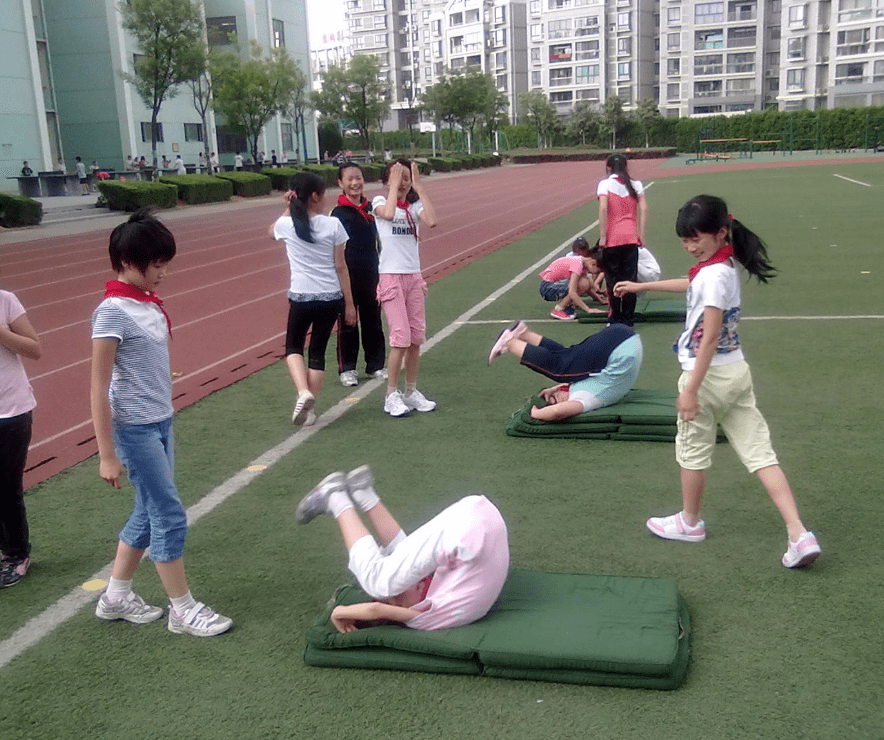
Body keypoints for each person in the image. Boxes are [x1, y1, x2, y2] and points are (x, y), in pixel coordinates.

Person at [613, 194, 820, 569]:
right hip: (736, 373)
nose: (690, 247)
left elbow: (708, 337)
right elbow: (691, 285)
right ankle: (798, 533)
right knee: (761, 455)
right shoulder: (722, 267)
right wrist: (642, 287)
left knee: (692, 453)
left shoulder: (712, 275)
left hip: (705, 377)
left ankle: (689, 523)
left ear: (721, 232)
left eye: (696, 239)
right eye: (685, 241)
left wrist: (690, 389)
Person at [90, 210, 232, 635]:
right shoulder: (112, 311)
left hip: (160, 421)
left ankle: (115, 596)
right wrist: (106, 455)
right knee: (169, 514)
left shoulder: (147, 305)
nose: (164, 273)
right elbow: (97, 388)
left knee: (148, 510)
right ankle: (182, 609)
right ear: (130, 261)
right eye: (157, 264)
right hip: (133, 429)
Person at [295, 465, 509, 632]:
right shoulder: (426, 618)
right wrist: (341, 611)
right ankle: (341, 496)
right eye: (395, 596)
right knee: (378, 581)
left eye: (394, 596)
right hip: (473, 531)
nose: (398, 590)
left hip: (478, 522)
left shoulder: (427, 612)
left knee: (391, 576)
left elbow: (378, 608)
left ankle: (352, 494)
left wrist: (344, 610)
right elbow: (376, 609)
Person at [270, 173, 356, 425]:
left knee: (293, 347)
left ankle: (302, 392)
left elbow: (270, 232)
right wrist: (349, 303)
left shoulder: (286, 225)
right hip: (330, 297)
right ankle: (309, 410)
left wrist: (288, 208)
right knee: (317, 351)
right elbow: (341, 267)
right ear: (315, 197)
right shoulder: (333, 225)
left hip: (301, 296)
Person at [374, 159, 438, 417]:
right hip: (391, 277)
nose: (402, 182)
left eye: (405, 177)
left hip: (413, 276)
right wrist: (393, 185)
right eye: (396, 176)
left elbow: (432, 221)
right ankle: (391, 394)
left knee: (415, 338)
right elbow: (388, 215)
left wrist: (419, 187)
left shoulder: (413, 206)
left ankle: (411, 391)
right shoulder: (379, 201)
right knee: (399, 338)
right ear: (386, 180)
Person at [488, 322, 643, 421]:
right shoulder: (587, 398)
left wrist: (534, 412)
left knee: (562, 362)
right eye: (555, 399)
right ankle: (519, 335)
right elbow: (557, 412)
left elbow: (556, 411)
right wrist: (537, 411)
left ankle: (512, 340)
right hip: (622, 347)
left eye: (553, 398)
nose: (555, 396)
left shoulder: (582, 395)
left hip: (624, 340)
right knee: (561, 366)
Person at [331, 162, 386, 387]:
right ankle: (348, 369)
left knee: (373, 321)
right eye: (350, 179)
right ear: (340, 183)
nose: (355, 183)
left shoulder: (373, 209)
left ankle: (375, 365)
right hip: (348, 276)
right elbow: (336, 252)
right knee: (348, 321)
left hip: (372, 273)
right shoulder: (337, 214)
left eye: (359, 178)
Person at [0, 286, 41, 588]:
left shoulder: (5, 300)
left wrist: (2, 333)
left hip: (10, 412)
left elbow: (34, 349)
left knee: (5, 486)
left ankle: (16, 555)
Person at [597, 154, 648, 326]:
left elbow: (603, 208)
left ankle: (615, 317)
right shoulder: (636, 184)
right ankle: (628, 317)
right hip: (630, 238)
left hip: (612, 240)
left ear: (608, 168)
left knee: (612, 279)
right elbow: (644, 208)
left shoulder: (605, 184)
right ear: (626, 167)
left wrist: (603, 236)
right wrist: (640, 234)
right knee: (629, 278)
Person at [539, 238, 607, 320]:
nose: (595, 273)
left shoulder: (583, 264)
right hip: (547, 288)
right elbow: (572, 292)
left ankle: (564, 306)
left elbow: (588, 288)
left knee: (586, 281)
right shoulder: (578, 264)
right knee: (583, 283)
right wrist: (589, 310)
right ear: (593, 264)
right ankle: (558, 309)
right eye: (597, 271)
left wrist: (600, 299)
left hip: (553, 286)